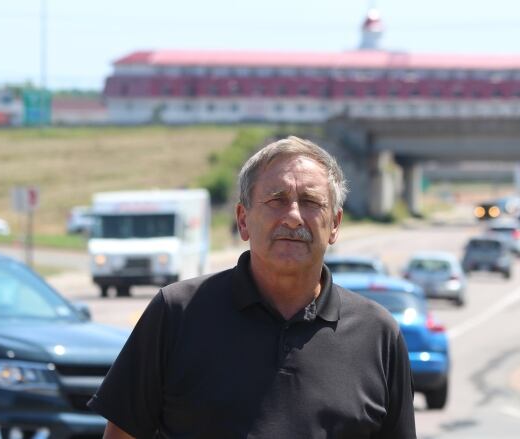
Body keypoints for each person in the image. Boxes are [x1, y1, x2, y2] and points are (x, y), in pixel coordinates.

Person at [88, 136, 416, 439]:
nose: (293, 217)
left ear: (335, 224)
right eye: (276, 199)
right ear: (243, 220)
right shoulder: (176, 313)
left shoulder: (378, 334)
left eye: (310, 201)